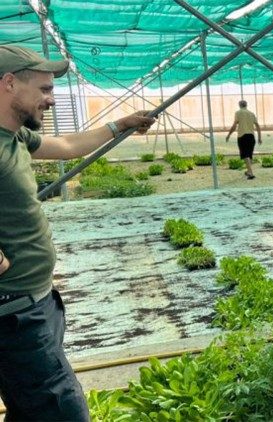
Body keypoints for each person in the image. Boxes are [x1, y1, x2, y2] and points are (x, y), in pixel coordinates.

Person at [0, 45, 156, 420]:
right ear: (8, 84)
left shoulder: (15, 136)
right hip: (16, 312)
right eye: (44, 90)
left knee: (30, 409)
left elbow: (68, 145)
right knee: (64, 411)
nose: (50, 100)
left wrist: (121, 124)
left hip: (37, 301)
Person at [225, 99, 262, 179]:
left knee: (245, 155)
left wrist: (229, 135)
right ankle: (249, 171)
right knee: (249, 155)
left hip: (242, 136)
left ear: (239, 105)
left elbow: (234, 126)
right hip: (251, 136)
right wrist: (259, 137)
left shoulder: (238, 113)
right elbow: (258, 126)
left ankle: (251, 173)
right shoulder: (251, 114)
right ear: (246, 105)